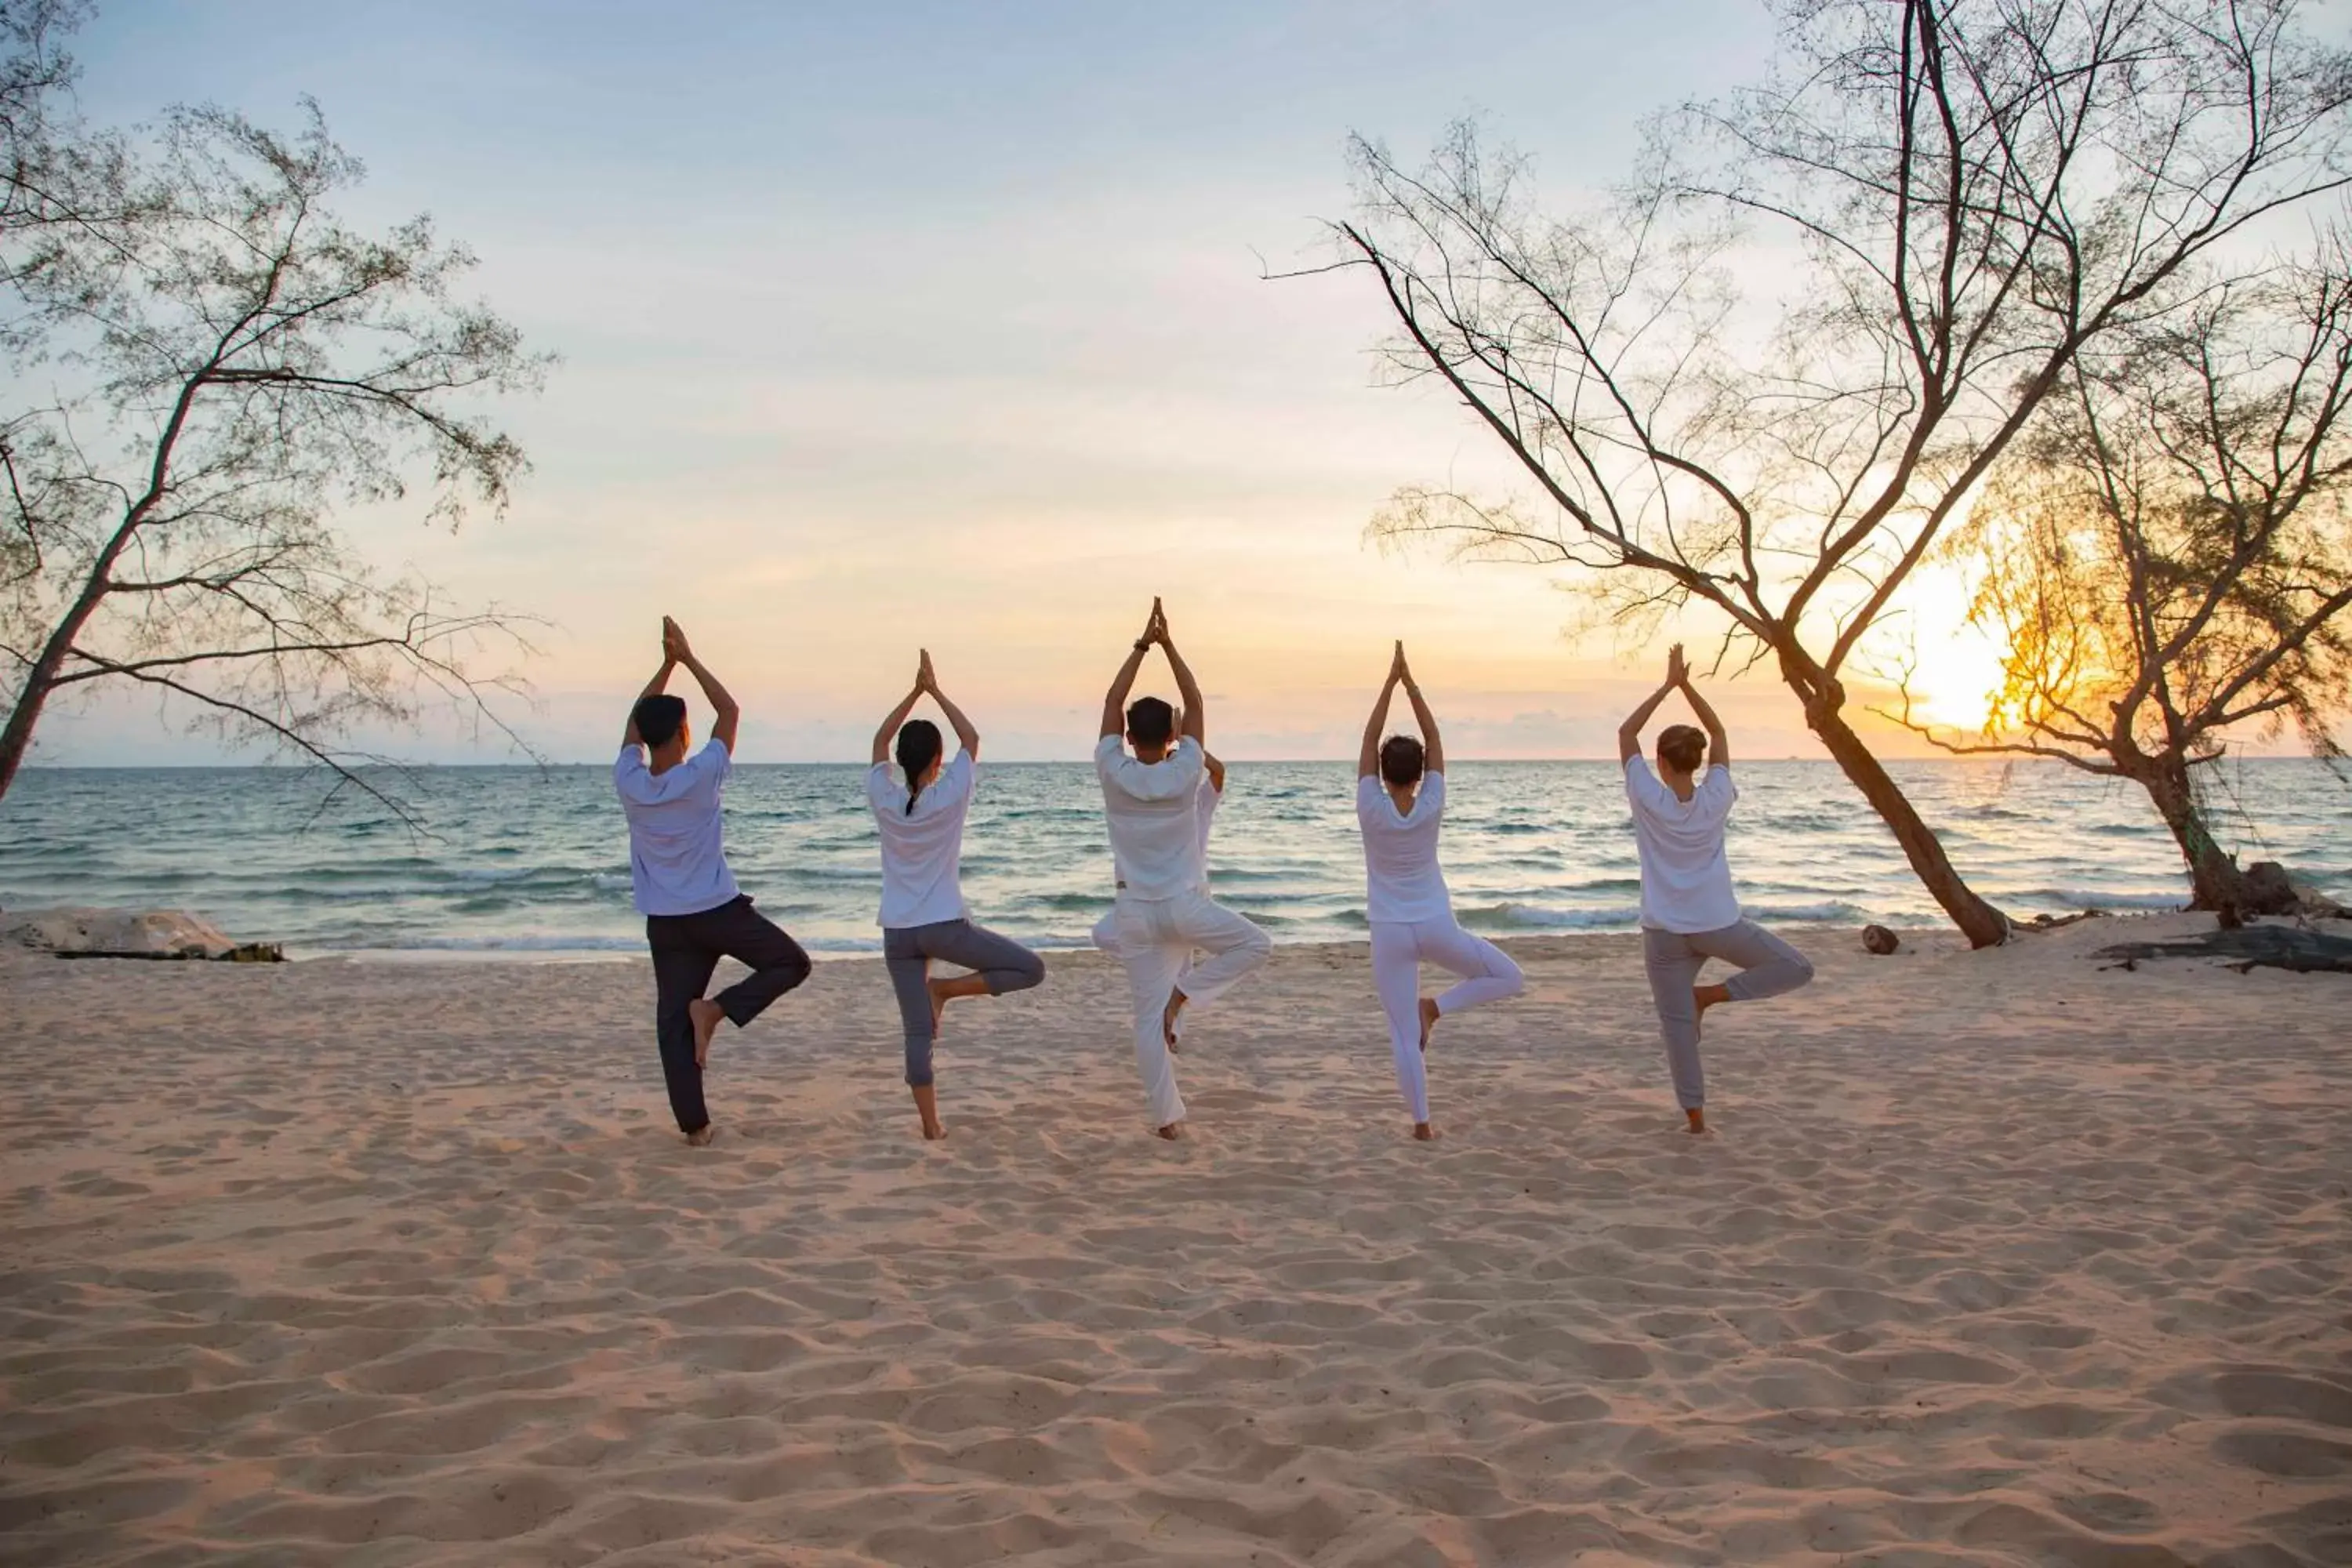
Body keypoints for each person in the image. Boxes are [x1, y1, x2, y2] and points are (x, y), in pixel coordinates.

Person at [615, 617, 811, 1145]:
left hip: (667, 924)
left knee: (671, 1025)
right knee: (791, 962)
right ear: (684, 733)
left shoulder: (629, 781)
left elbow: (635, 728)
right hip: (718, 914)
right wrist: (688, 659)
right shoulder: (702, 774)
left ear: (643, 737)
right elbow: (729, 711)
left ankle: (696, 1129)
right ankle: (719, 1009)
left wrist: (664, 666)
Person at [1618, 643, 1814, 1134]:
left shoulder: (1646, 796)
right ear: (1696, 763)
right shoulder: (1718, 796)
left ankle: (1696, 1119)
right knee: (1796, 967)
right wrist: (1689, 687)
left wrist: (1667, 685)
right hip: (1718, 924)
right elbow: (1721, 733)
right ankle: (1713, 996)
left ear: (1660, 762)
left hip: (1663, 932)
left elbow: (1626, 733)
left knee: (1677, 1028)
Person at [1095, 598, 1270, 1138]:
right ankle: (1185, 995)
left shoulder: (1110, 769)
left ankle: (1166, 1120)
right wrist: (1169, 645)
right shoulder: (1187, 768)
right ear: (1172, 738)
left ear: (1128, 738)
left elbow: (1111, 699)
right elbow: (1193, 698)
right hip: (1183, 906)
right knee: (1254, 946)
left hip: (1136, 913)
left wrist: (1141, 646)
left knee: (1146, 1023)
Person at [867, 649, 1046, 1141]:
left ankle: (931, 1126)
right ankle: (944, 989)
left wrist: (913, 692)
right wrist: (934, 690)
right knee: (1030, 969)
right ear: (938, 760)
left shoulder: (882, 795)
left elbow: (880, 739)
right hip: (944, 927)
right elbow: (971, 737)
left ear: (900, 759)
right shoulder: (950, 793)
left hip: (898, 933)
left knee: (916, 1035)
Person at [1356, 641, 1525, 1141]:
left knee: (1403, 1036)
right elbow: (1433, 738)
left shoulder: (1370, 804)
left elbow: (1368, 739)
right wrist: (1411, 685)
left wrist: (1388, 684)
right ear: (1421, 772)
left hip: (1389, 930)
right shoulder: (1432, 801)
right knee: (1509, 977)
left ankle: (1423, 1125)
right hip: (1434, 925)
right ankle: (1439, 1007)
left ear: (1383, 774)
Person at [1089, 746, 1225, 1049]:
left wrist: (1194, 750)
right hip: (1149, 900)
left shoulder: (1195, 802)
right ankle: (1162, 982)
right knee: (1103, 934)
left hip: (1188, 897)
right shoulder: (1144, 804)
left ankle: (1171, 1035)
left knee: (1182, 970)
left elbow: (1218, 773)